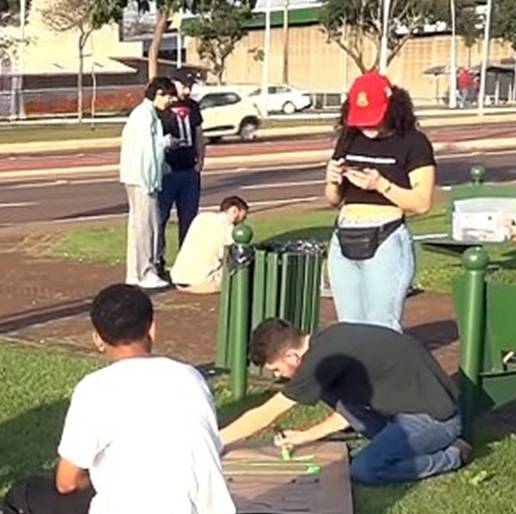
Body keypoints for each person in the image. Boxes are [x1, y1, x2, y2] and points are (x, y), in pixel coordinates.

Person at [16, 284, 236, 514]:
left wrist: (95, 482)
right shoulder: (189, 376)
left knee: (28, 497)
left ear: (96, 339)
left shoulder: (96, 388)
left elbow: (66, 482)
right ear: (152, 328)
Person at [219, 318, 470, 485]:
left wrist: (215, 440)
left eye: (276, 369)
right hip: (405, 408)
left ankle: (452, 455)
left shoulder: (318, 361)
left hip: (435, 418)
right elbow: (348, 410)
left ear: (292, 355)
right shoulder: (329, 340)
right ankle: (401, 444)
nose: (278, 376)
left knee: (365, 469)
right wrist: (304, 437)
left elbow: (266, 414)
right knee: (332, 395)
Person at [324, 72, 435, 332]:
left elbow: (421, 202)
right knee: (349, 327)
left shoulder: (413, 142)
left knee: (382, 327)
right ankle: (356, 373)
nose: (367, 128)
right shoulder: (349, 137)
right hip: (344, 235)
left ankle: (386, 372)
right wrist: (331, 181)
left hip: (385, 237)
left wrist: (380, 185)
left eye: (373, 119)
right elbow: (333, 199)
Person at [121, 76, 177, 290]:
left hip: (135, 177)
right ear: (159, 94)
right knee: (148, 226)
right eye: (169, 97)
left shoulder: (144, 114)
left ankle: (135, 272)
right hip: (143, 179)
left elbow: (150, 146)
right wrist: (150, 181)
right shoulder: (145, 116)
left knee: (138, 225)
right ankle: (147, 272)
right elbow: (146, 152)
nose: (170, 101)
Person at [158, 70, 206, 269]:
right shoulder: (162, 107)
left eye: (190, 86)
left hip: (189, 170)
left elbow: (199, 133)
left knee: (188, 219)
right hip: (168, 171)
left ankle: (186, 262)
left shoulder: (193, 106)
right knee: (160, 218)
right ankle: (158, 260)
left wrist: (200, 160)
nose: (187, 90)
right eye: (184, 85)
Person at [170, 195, 249, 294]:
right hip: (202, 282)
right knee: (238, 271)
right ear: (234, 210)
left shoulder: (201, 218)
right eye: (243, 216)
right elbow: (231, 256)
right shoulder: (229, 228)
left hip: (178, 278)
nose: (243, 220)